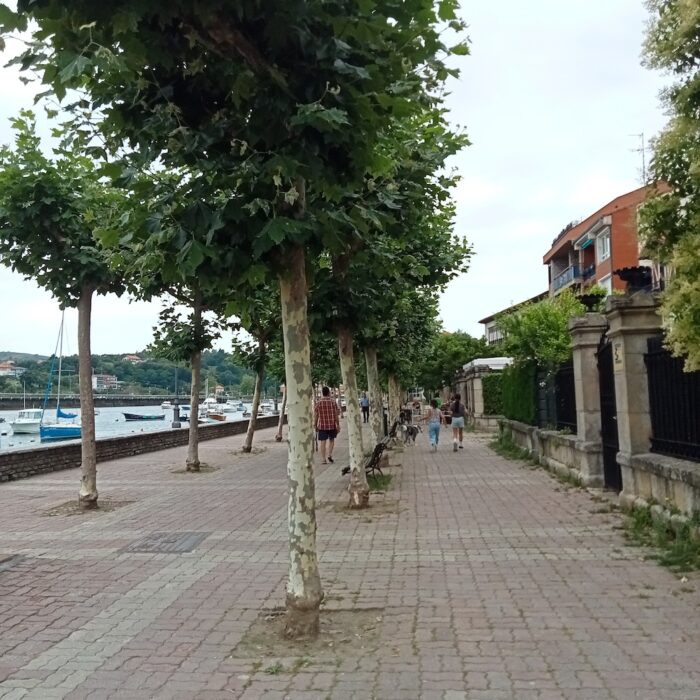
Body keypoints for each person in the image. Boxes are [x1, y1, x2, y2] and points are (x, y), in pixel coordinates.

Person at [315, 386, 340, 465]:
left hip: (322, 426)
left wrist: (315, 424)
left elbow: (316, 415)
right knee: (332, 440)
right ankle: (329, 454)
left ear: (322, 393)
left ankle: (323, 459)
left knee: (323, 442)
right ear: (328, 392)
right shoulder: (333, 402)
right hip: (332, 425)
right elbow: (336, 415)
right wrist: (338, 424)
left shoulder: (319, 402)